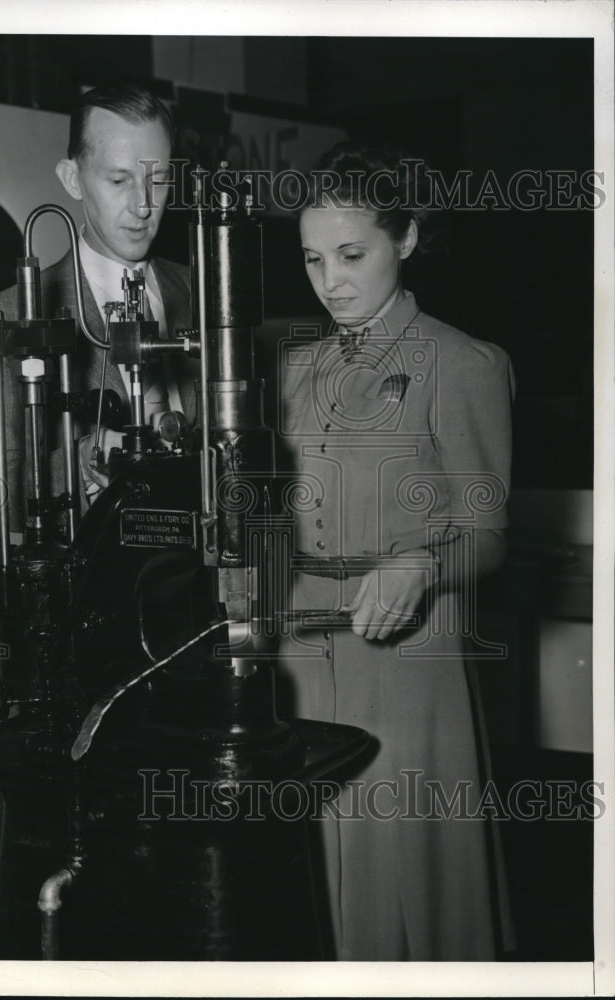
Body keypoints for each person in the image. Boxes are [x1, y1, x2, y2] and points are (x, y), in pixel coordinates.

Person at [277, 143, 516, 960]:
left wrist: (419, 563)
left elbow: (484, 535)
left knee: (410, 880)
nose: (329, 280)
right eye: (312, 258)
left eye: (351, 255)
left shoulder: (464, 363)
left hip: (409, 656)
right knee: (313, 874)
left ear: (406, 238)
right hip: (302, 647)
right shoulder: (294, 370)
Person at [0, 84, 197, 525]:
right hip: (98, 586)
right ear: (73, 179)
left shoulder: (205, 292)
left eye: (159, 180)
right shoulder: (12, 316)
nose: (144, 205)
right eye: (118, 181)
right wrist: (79, 458)